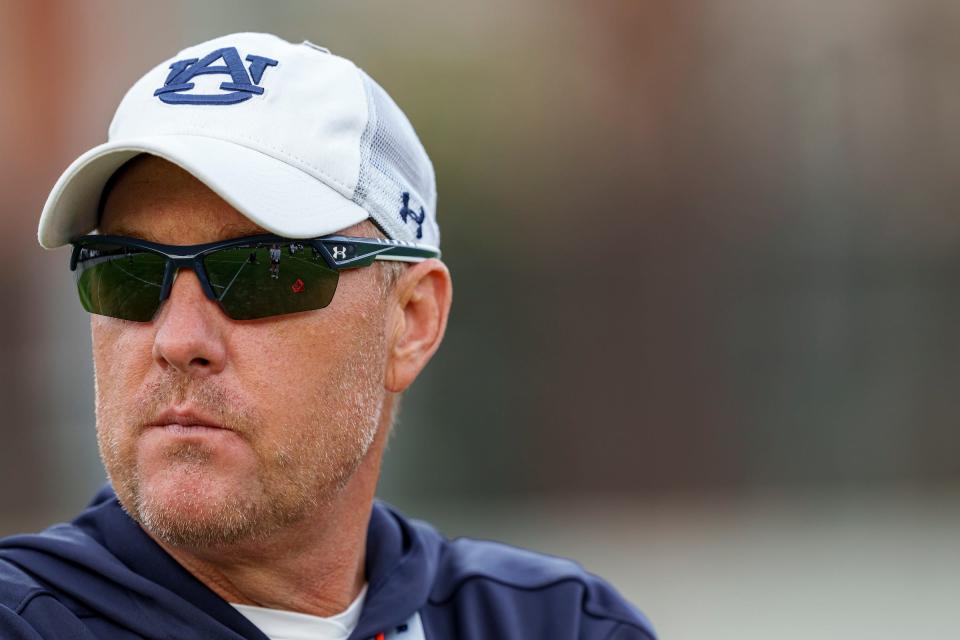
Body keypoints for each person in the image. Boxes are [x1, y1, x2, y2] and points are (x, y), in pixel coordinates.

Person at [0, 33, 656, 640]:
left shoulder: (554, 625)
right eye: (128, 274)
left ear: (412, 320)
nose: (177, 338)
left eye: (262, 272)